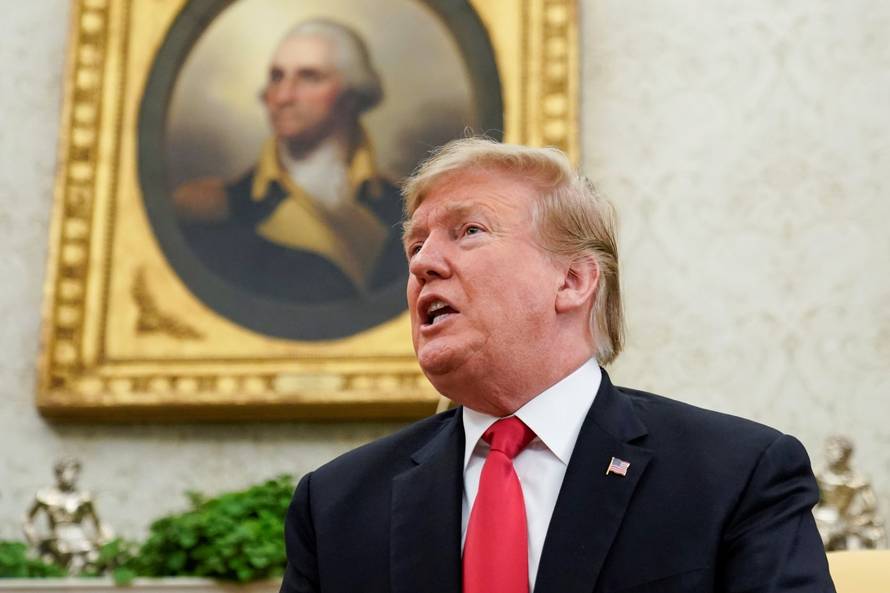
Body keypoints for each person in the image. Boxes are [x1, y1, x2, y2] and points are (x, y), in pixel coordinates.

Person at [279, 138, 835, 593]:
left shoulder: (738, 475)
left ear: (571, 280)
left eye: (468, 231)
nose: (424, 262)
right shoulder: (336, 507)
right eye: (415, 246)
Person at [174, 19, 405, 304]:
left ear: (351, 95)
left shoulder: (402, 208)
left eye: (309, 77)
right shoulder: (216, 211)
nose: (283, 96)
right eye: (276, 77)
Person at [23, 459, 112, 574]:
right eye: (69, 473)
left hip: (79, 537)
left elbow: (98, 522)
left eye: (76, 474)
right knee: (59, 555)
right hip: (57, 537)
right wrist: (35, 539)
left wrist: (105, 540)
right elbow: (27, 519)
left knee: (93, 559)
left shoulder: (84, 497)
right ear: (59, 474)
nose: (73, 477)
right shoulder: (45, 496)